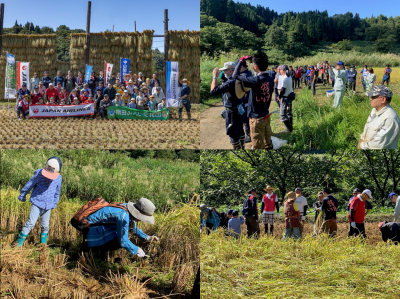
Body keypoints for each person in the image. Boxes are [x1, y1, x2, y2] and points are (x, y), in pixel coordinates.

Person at [84, 198, 158, 257]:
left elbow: (131, 227)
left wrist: (147, 237)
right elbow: (123, 241)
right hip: (90, 228)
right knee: (118, 241)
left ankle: (99, 249)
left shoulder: (127, 209)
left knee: (121, 233)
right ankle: (93, 250)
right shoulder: (123, 216)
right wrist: (137, 250)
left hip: (97, 226)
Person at [15, 157, 62, 247]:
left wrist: (54, 202)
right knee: (30, 223)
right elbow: (30, 184)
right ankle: (18, 244)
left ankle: (42, 245)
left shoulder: (58, 178)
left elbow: (57, 191)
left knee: (45, 226)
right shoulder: (39, 174)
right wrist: (23, 195)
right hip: (37, 202)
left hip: (48, 206)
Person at [232, 54, 275, 149]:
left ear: (255, 67)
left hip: (256, 119)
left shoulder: (255, 80)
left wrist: (240, 60)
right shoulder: (271, 79)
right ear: (267, 66)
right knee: (268, 144)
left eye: (252, 65)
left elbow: (235, 75)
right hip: (266, 115)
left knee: (258, 146)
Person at [210, 62, 245, 149]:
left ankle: (238, 150)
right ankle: (243, 148)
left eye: (224, 71)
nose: (223, 73)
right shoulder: (240, 79)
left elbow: (213, 91)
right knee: (240, 130)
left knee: (233, 132)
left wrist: (214, 77)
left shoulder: (230, 83)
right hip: (240, 108)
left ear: (230, 70)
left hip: (232, 111)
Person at [277, 65, 294, 133]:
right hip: (289, 99)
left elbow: (283, 90)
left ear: (283, 70)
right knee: (288, 112)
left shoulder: (284, 79)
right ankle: (291, 126)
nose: (279, 71)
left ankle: (289, 129)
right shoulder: (289, 77)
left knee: (283, 115)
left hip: (285, 100)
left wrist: (279, 97)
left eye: (280, 69)